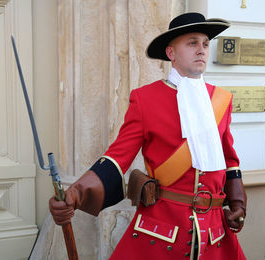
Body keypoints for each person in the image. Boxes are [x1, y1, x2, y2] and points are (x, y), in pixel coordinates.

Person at [49, 12, 247, 260]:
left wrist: (237, 202)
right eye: (192, 42)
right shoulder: (145, 99)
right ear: (171, 53)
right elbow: (116, 158)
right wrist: (75, 194)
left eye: (206, 44)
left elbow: (229, 159)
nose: (202, 50)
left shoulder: (222, 100)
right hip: (163, 234)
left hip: (214, 234)